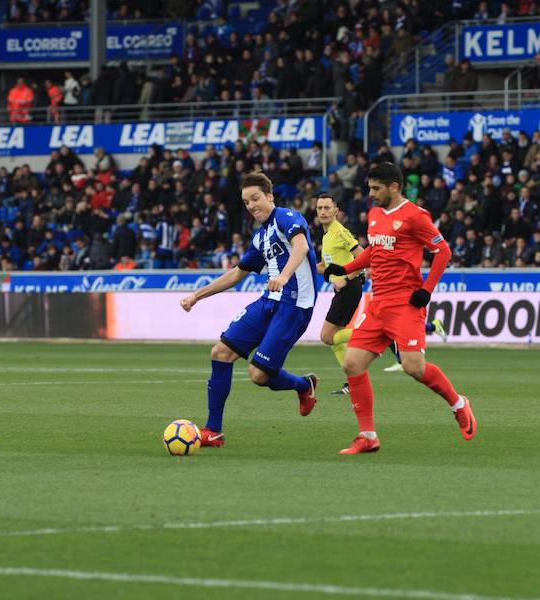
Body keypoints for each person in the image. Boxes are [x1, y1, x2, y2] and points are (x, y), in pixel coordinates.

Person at [324, 163, 476, 454]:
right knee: (352, 363)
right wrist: (346, 268)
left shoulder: (416, 216)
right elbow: (375, 251)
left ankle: (459, 404)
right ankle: (367, 436)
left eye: (376, 188)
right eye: (369, 188)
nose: (371, 194)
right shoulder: (376, 214)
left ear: (394, 187)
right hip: (378, 301)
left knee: (413, 367)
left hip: (405, 302)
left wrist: (426, 291)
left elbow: (442, 252)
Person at [180, 171, 319, 448]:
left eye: (255, 198)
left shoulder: (286, 217)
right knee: (220, 352)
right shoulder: (260, 237)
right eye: (246, 202)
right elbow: (237, 273)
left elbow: (301, 246)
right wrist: (197, 295)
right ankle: (213, 430)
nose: (251, 205)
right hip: (268, 301)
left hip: (294, 307)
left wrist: (283, 276)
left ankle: (304, 386)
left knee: (258, 376)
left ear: (270, 196)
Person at [315, 193, 365, 396]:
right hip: (343, 290)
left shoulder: (340, 231)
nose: (323, 212)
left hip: (350, 288)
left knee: (327, 336)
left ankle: (377, 335)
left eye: (327, 208)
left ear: (336, 211)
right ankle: (353, 382)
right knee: (335, 342)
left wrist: (346, 277)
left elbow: (362, 256)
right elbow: (325, 267)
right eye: (320, 208)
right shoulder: (327, 236)